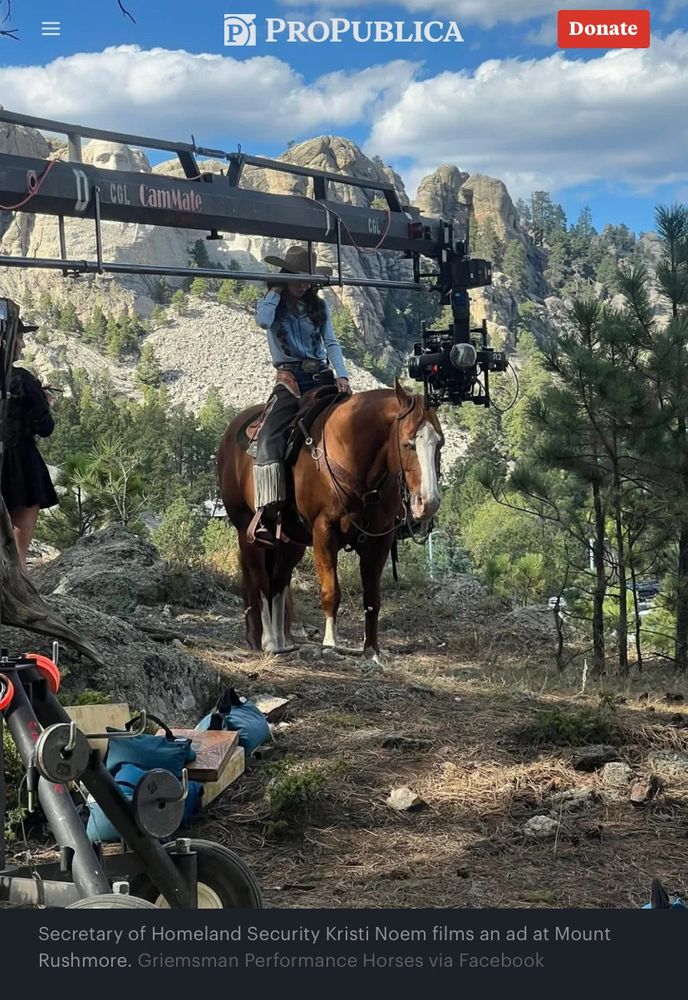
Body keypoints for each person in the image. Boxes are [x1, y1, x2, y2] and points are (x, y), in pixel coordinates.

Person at [250, 244, 352, 547]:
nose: (304, 285)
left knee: (357, 425)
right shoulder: (271, 305)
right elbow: (263, 321)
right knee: (269, 438)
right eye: (297, 278)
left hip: (321, 377)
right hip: (290, 381)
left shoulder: (318, 308)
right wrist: (276, 290)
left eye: (308, 280)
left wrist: (342, 374)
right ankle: (268, 514)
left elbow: (331, 343)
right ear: (285, 276)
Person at [0, 318, 58, 569]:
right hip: (19, 467)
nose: (22, 344)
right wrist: (45, 402)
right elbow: (45, 427)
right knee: (17, 557)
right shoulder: (21, 379)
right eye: (19, 337)